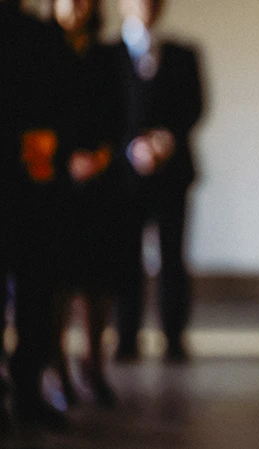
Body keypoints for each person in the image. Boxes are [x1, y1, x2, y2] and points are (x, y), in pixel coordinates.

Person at [112, 0, 203, 362]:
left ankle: (174, 337)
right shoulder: (109, 55)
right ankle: (125, 338)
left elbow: (196, 105)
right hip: (124, 173)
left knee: (173, 256)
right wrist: (130, 147)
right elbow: (104, 109)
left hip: (173, 172)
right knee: (124, 256)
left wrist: (166, 141)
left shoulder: (183, 53)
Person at [0, 0, 74, 429]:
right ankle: (27, 395)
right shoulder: (44, 36)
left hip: (33, 187)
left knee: (35, 297)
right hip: (34, 186)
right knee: (34, 298)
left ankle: (24, 394)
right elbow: (62, 110)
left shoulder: (43, 37)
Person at [53, 0, 124, 407]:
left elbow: (121, 112)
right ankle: (57, 368)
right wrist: (67, 159)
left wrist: (100, 156)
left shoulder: (106, 54)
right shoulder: (42, 50)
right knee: (58, 284)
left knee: (98, 281)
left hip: (101, 182)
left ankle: (94, 364)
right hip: (55, 183)